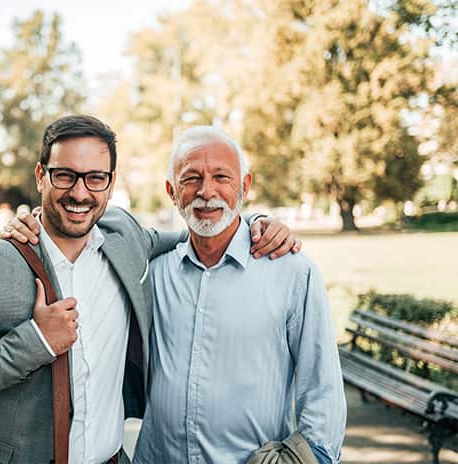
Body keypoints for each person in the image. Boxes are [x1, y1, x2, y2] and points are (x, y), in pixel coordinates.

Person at [0, 115, 299, 464]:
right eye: (64, 175)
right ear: (41, 176)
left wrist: (257, 221)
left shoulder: (126, 238)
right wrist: (34, 342)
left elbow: (200, 227)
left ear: (111, 183)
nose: (80, 193)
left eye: (95, 178)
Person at [132, 126, 346, 464]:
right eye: (191, 178)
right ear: (172, 192)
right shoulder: (154, 275)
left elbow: (323, 391)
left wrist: (311, 458)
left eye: (221, 176)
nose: (206, 191)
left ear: (244, 187)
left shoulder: (293, 273)